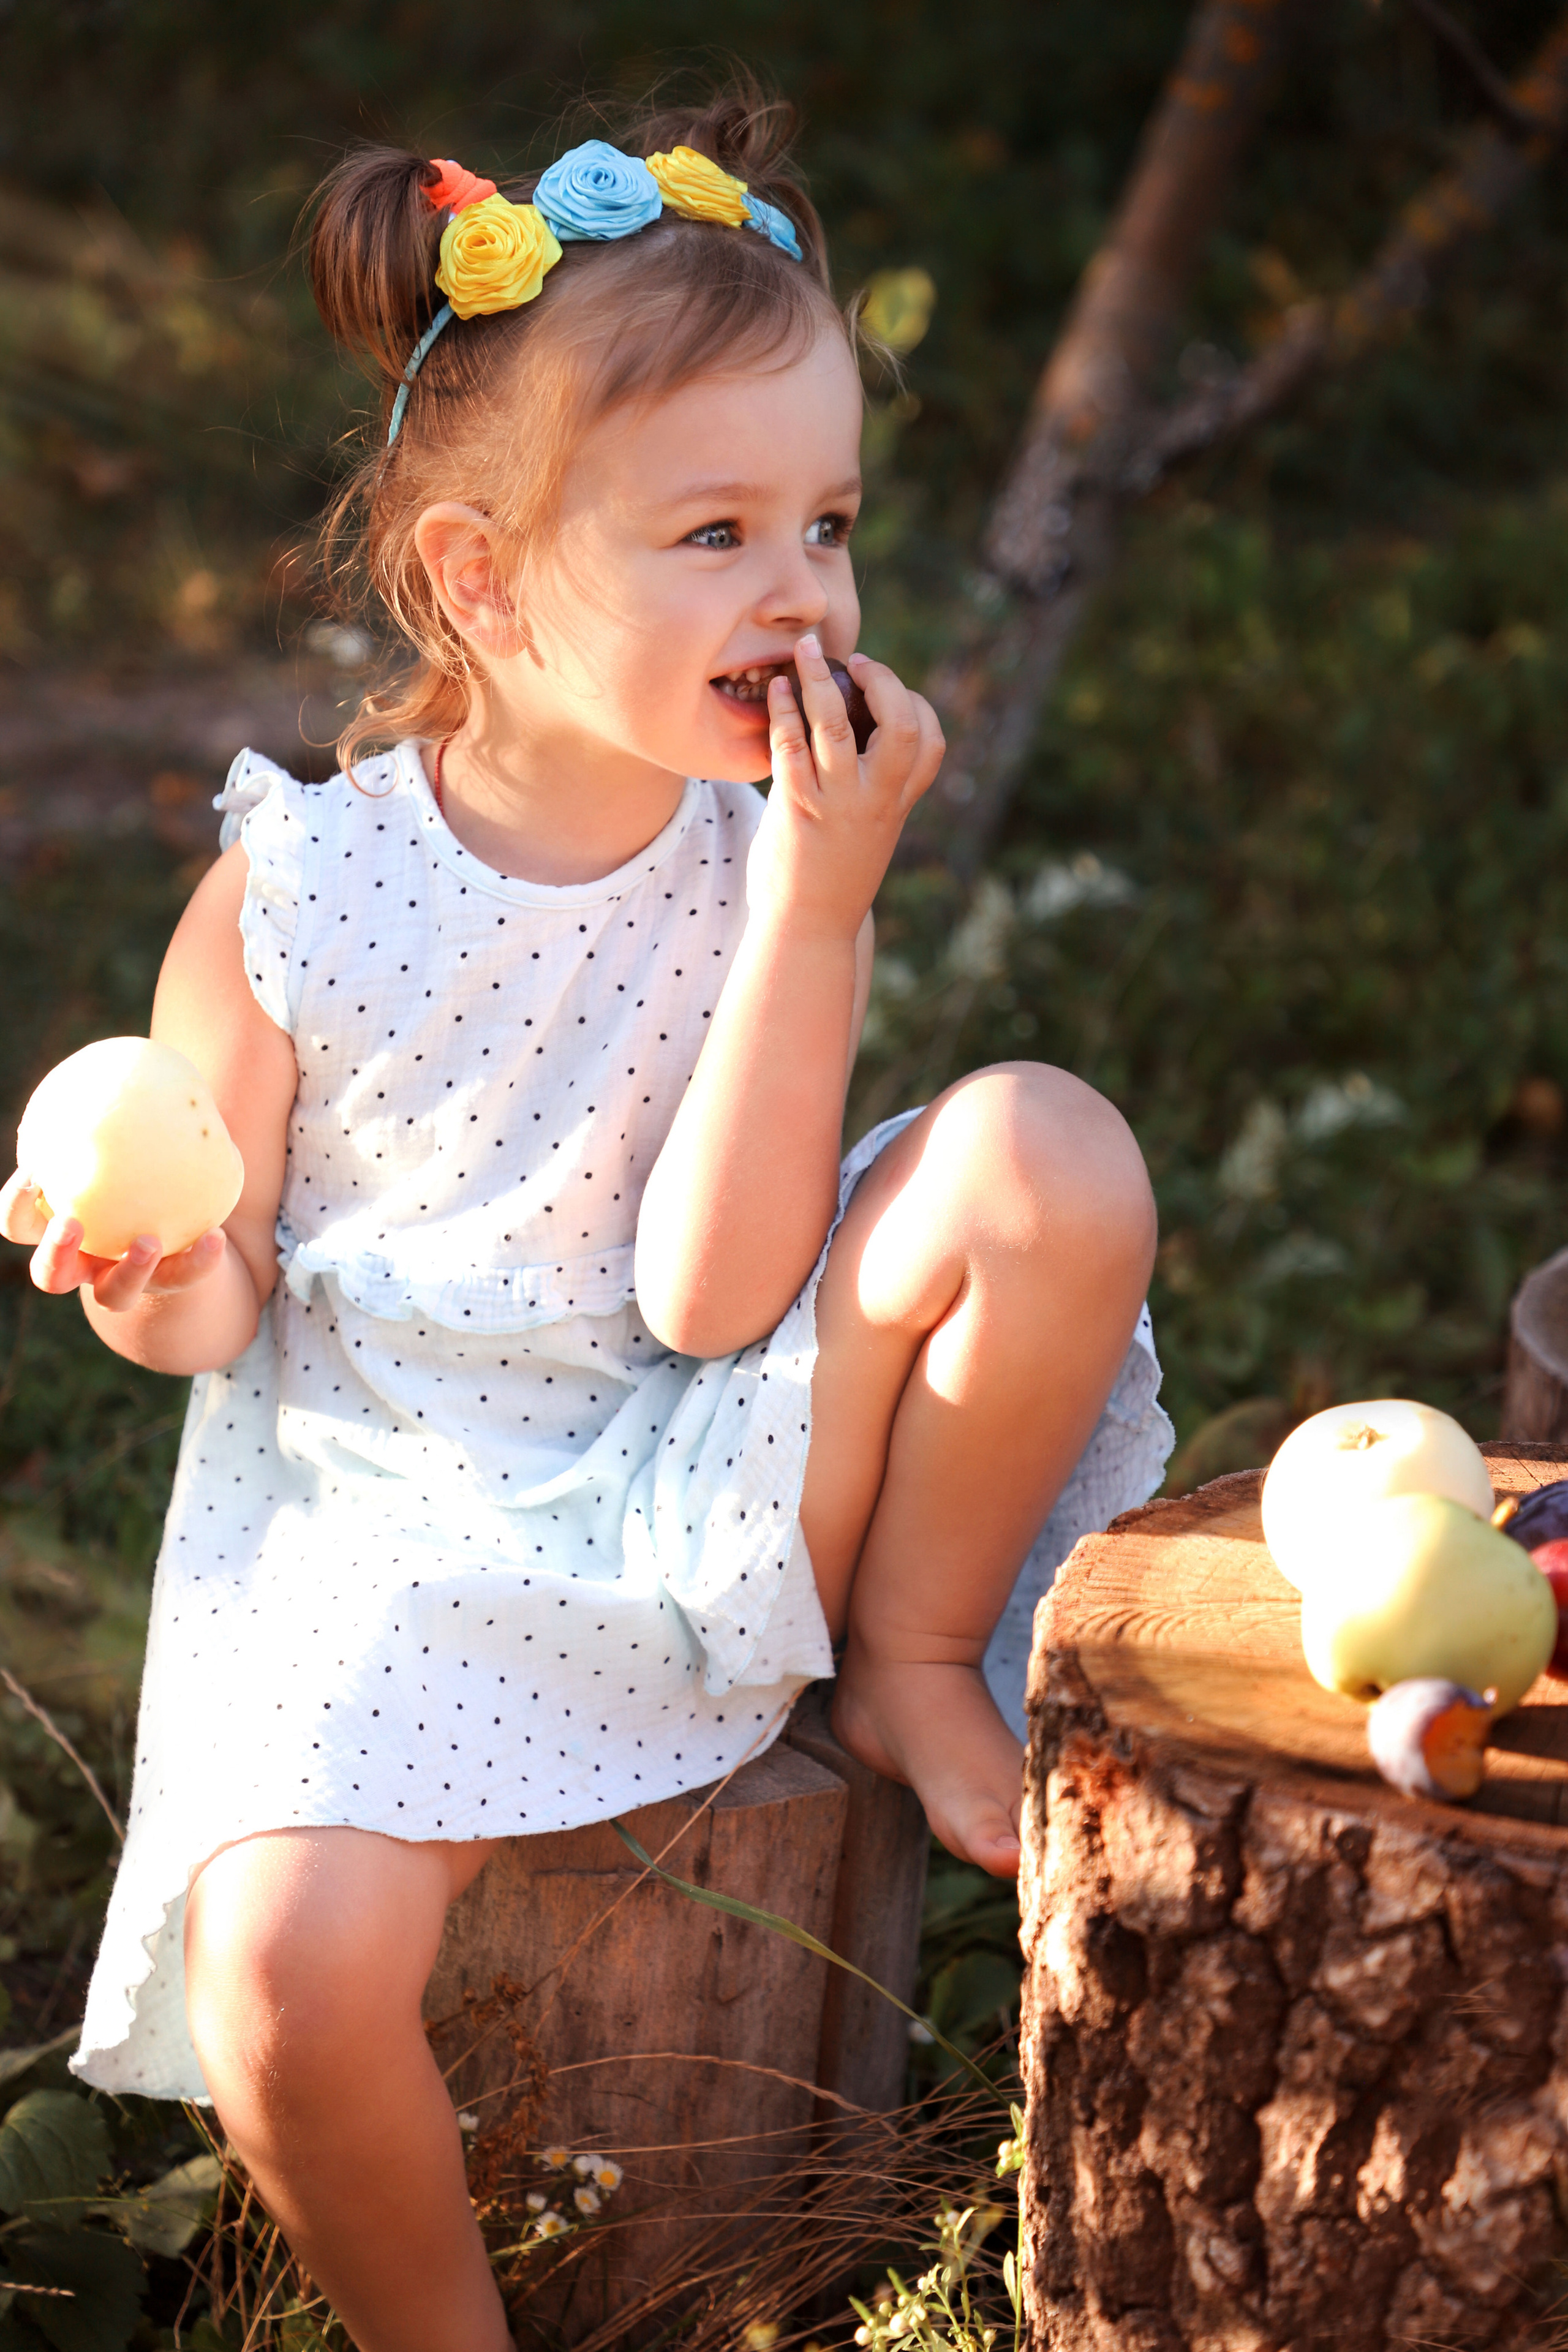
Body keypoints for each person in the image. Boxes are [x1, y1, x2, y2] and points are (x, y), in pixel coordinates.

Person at [1, 87, 1168, 2352]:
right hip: (399, 1518)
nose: (802, 592)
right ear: (482, 580)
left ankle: (917, 1650)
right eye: (715, 532)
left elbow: (716, 1291)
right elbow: (214, 1302)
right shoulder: (300, 896)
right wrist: (150, 1266)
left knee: (1051, 1153)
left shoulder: (757, 850)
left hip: (704, 1447)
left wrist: (821, 910)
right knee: (286, 1967)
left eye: (827, 524)